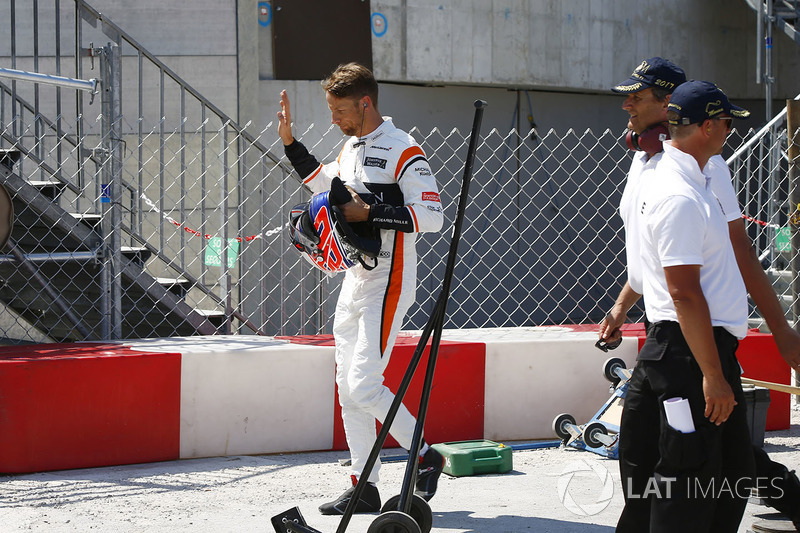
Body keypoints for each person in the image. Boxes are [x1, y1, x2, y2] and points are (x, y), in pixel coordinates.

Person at [601, 59, 800, 531]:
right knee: (679, 472)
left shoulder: (705, 172)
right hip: (679, 334)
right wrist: (624, 306)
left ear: (670, 106)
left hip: (691, 334)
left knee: (708, 466)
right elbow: (669, 273)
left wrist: (781, 334)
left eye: (639, 95)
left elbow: (734, 251)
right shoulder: (666, 176)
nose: (627, 103)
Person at [277, 62, 445, 515]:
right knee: (346, 388)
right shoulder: (351, 147)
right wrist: (291, 145)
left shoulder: (403, 148)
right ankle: (364, 485)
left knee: (364, 384)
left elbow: (432, 217)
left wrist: (369, 214)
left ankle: (427, 455)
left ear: (365, 102)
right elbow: (329, 188)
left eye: (339, 110)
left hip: (389, 279)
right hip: (354, 276)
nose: (334, 119)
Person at [627, 80, 756, 531]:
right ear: (705, 127)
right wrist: (713, 376)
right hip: (690, 353)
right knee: (687, 484)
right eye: (725, 123)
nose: (729, 132)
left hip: (697, 350)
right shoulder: (680, 195)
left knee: (730, 473)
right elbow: (683, 293)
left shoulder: (693, 180)